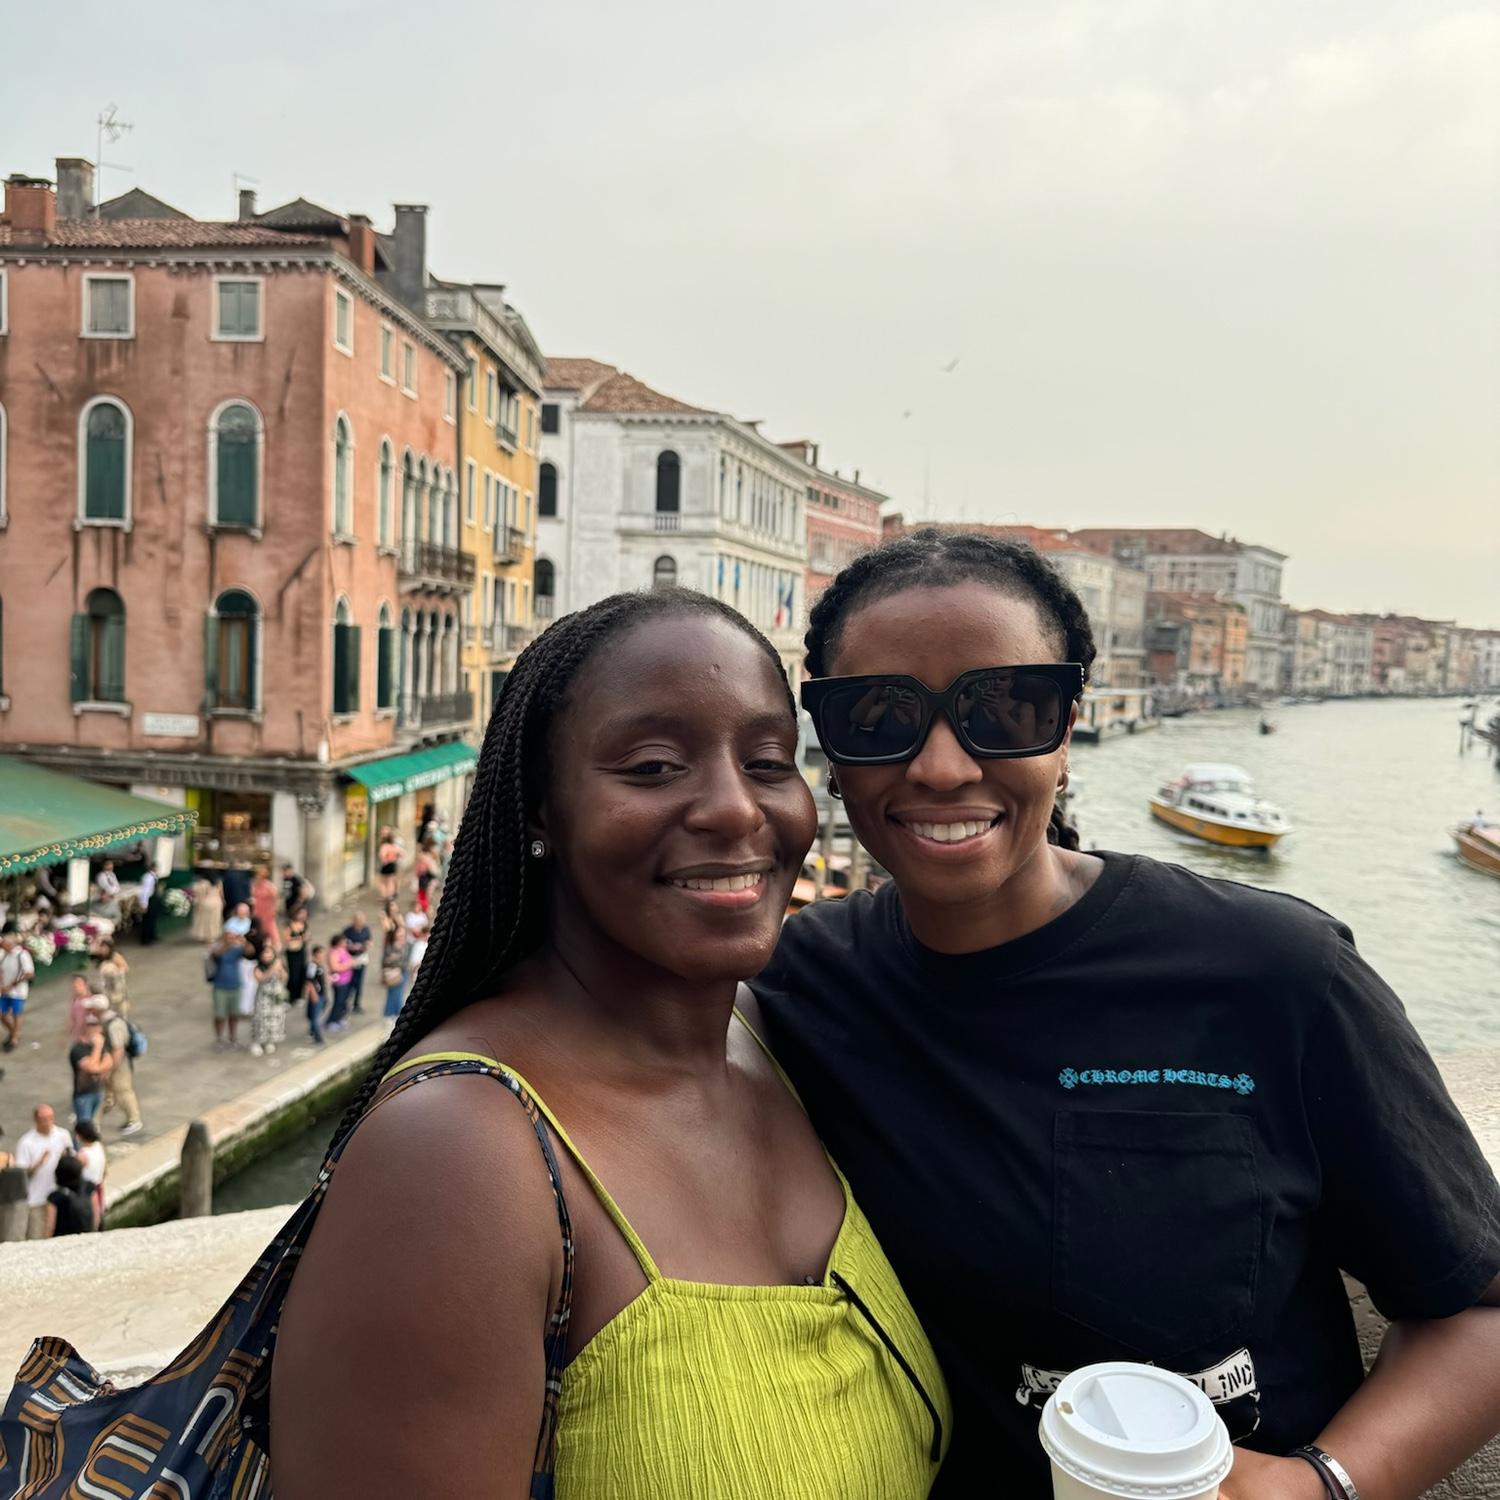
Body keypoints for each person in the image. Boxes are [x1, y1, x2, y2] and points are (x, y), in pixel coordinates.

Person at [750, 529, 1500, 1499]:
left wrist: (1318, 1487)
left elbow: (1479, 1308)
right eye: (880, 714)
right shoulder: (803, 983)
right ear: (832, 745)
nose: (940, 766)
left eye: (1006, 707)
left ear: (1067, 727)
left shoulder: (1278, 973)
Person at [271, 590, 949, 1498]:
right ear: (541, 812)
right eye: (656, 765)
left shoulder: (766, 1040)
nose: (735, 809)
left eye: (768, 760)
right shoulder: (457, 1157)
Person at [15, 1104, 74, 1239]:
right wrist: (38, 1164)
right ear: (36, 1121)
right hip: (37, 1200)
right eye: (44, 1119)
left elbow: (71, 1162)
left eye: (50, 1118)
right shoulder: (26, 1142)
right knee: (37, 1237)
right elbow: (22, 1175)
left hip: (59, 1196)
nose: (48, 1123)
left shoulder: (63, 1135)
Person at [95, 994, 144, 1136]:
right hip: (109, 1061)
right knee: (108, 1091)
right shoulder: (104, 1020)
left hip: (119, 1064)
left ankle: (134, 1119)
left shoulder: (114, 1024)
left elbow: (118, 1050)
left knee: (123, 1091)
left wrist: (110, 1068)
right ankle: (101, 1113)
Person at [69, 1012, 112, 1127]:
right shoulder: (78, 1049)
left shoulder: (101, 1047)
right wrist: (97, 1047)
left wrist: (99, 1067)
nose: (99, 1030)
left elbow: (109, 1061)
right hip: (83, 1095)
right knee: (84, 1127)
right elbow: (91, 1068)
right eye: (95, 1026)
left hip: (98, 1091)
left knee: (95, 1126)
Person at [0, 921, 35, 1053]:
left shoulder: (22, 954)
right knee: (2, 1014)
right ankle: (14, 1032)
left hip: (18, 991)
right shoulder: (3, 955)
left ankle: (14, 1038)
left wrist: (12, 984)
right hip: (5, 990)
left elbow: (29, 973)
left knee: (16, 1013)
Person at [208, 926, 246, 1046]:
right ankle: (219, 1038)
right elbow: (216, 955)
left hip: (235, 986)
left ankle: (232, 1037)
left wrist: (245, 941)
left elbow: (250, 952)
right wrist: (228, 944)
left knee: (234, 1015)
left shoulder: (238, 949)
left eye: (233, 937)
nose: (231, 939)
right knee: (220, 1015)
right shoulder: (217, 948)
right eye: (228, 937)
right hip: (220, 987)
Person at [250, 944, 289, 1058]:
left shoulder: (278, 965)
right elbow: (261, 979)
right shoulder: (258, 967)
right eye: (265, 953)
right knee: (261, 1020)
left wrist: (281, 969)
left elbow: (284, 979)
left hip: (276, 997)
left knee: (275, 1019)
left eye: (269, 953)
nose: (267, 955)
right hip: (264, 998)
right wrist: (272, 968)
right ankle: (256, 1042)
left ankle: (270, 1041)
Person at [45, 1153, 98, 1236]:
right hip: (86, 1233)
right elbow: (96, 1214)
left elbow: (50, 1225)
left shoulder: (55, 1197)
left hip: (62, 1237)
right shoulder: (89, 1187)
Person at [73, 1117, 107, 1226]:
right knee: (99, 1218)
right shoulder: (99, 1146)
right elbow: (105, 1170)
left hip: (87, 1192)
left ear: (78, 1136)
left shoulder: (82, 1155)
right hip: (99, 1186)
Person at [378, 901, 407, 1026]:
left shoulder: (399, 921)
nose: (394, 910)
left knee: (398, 992)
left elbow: (403, 928)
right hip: (393, 966)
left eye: (396, 907)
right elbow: (387, 929)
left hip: (401, 965)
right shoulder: (389, 927)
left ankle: (393, 1014)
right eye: (392, 908)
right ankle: (390, 1015)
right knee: (395, 992)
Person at [342, 911, 372, 1015]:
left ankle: (356, 1004)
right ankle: (344, 1005)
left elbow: (369, 941)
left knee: (359, 983)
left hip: (361, 958)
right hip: (350, 958)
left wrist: (366, 945)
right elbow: (342, 944)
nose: (360, 922)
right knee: (349, 983)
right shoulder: (347, 931)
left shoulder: (366, 929)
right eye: (358, 920)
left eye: (362, 920)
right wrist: (351, 947)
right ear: (354, 920)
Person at [325, 932, 354, 1030]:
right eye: (343, 941)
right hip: (339, 982)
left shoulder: (343, 949)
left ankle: (339, 1019)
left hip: (347, 980)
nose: (345, 943)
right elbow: (335, 967)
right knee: (338, 1001)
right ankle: (331, 1021)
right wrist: (349, 965)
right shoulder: (333, 953)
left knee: (344, 1002)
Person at [283, 910, 310, 1015]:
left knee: (302, 973)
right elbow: (287, 938)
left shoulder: (305, 924)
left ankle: (299, 995)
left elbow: (307, 936)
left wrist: (305, 938)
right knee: (293, 975)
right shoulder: (290, 925)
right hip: (292, 952)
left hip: (301, 950)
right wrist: (299, 938)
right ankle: (290, 997)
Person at [94, 941, 130, 1017]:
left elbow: (125, 968)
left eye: (105, 947)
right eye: (102, 947)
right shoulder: (101, 958)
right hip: (106, 986)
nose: (103, 949)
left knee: (120, 1009)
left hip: (117, 985)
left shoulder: (115, 956)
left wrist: (114, 973)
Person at [251, 867, 282, 951]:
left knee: (270, 927)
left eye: (260, 875)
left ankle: (276, 944)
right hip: (257, 909)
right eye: (257, 875)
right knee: (259, 926)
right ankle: (261, 943)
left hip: (267, 910)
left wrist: (275, 909)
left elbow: (277, 898)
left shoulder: (269, 886)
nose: (258, 877)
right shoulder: (254, 884)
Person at [303, 943, 327, 1045]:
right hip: (317, 995)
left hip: (321, 993)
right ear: (316, 954)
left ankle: (313, 1032)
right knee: (315, 1016)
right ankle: (318, 1037)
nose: (323, 955)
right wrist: (313, 994)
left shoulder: (319, 965)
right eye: (321, 953)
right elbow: (309, 981)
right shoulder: (312, 966)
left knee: (315, 1014)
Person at [191, 873, 224, 943]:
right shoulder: (218, 882)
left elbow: (201, 895)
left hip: (207, 903)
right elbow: (221, 894)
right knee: (215, 920)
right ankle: (213, 936)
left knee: (206, 921)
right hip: (217, 902)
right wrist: (223, 902)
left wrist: (198, 905)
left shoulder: (204, 883)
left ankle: (206, 936)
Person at [377, 831, 402, 902]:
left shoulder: (384, 846)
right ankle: (390, 896)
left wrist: (385, 860)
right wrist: (395, 859)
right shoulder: (394, 846)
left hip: (386, 864)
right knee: (390, 881)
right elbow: (401, 854)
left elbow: (382, 855)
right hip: (393, 864)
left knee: (382, 881)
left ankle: (384, 895)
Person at [137, 865, 160, 945]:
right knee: (147, 920)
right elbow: (145, 891)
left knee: (152, 919)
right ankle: (145, 939)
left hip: (153, 899)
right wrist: (144, 904)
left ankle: (151, 936)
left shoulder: (154, 877)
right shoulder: (148, 878)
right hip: (149, 900)